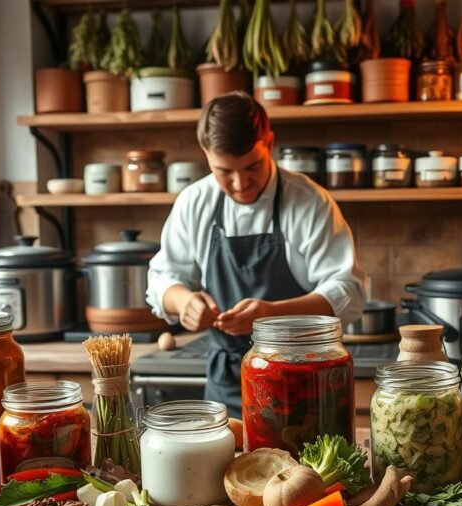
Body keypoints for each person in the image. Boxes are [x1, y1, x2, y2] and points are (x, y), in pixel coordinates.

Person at [146, 92, 366, 418]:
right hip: (228, 383)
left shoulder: (309, 202)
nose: (240, 183)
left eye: (253, 166)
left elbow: (348, 290)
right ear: (205, 154)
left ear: (270, 143)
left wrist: (272, 317)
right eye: (224, 171)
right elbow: (163, 279)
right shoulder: (195, 202)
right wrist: (183, 302)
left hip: (303, 379)